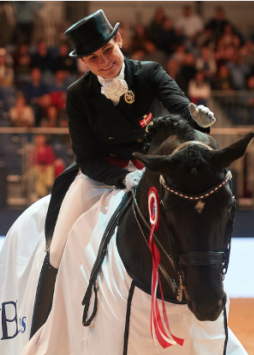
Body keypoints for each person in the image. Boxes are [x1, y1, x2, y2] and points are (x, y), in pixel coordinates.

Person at [48, 9, 216, 270]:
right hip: (102, 175)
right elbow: (86, 158)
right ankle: (43, 312)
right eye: (93, 57)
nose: (104, 61)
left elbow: (183, 109)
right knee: (56, 250)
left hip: (153, 168)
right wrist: (122, 177)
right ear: (84, 62)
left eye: (107, 49)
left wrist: (198, 120)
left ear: (120, 40)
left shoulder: (149, 73)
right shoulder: (78, 94)